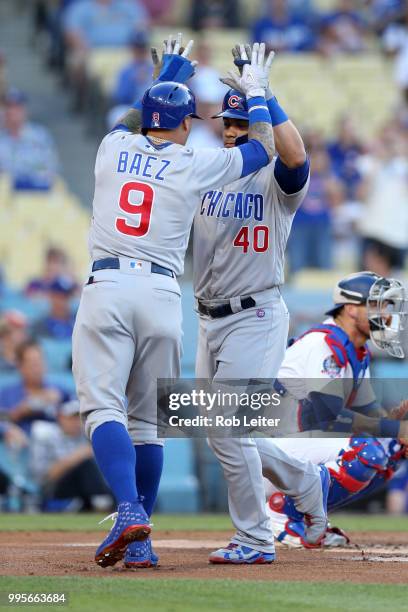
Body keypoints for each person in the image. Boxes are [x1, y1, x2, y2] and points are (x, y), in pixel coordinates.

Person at [72, 35, 278, 568]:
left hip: (110, 285)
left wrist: (166, 77)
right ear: (186, 124)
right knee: (149, 424)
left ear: (147, 117)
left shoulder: (111, 148)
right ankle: (140, 540)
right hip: (164, 293)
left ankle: (127, 510)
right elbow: (258, 149)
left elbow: (130, 119)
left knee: (102, 408)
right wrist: (257, 95)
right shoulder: (194, 164)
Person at [193, 44, 329, 565]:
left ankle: (254, 537)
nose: (230, 129)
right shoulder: (205, 172)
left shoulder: (275, 181)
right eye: (225, 122)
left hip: (256, 314)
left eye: (238, 120)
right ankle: (304, 483)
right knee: (222, 433)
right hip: (209, 317)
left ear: (254, 123)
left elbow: (296, 158)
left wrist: (265, 97)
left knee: (229, 429)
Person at [274, 271, 408, 439]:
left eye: (385, 306)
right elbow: (330, 418)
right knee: (368, 453)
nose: (386, 315)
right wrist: (394, 429)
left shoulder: (357, 349)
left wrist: (393, 422)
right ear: (350, 308)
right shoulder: (325, 345)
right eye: (375, 305)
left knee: (393, 448)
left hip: (303, 438)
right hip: (272, 441)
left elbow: (367, 410)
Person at [266, 436, 407, 547]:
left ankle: (309, 518)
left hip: (281, 471)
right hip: (265, 466)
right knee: (368, 455)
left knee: (385, 465)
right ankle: (283, 511)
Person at [30, 400, 112, 511]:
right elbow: (43, 477)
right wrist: (76, 457)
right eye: (72, 418)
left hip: (84, 489)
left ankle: (104, 501)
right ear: (60, 417)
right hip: (53, 489)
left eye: (79, 418)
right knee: (86, 464)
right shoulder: (46, 435)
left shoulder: (86, 436)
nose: (77, 423)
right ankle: (102, 501)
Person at [357, 125, 408, 276]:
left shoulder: (404, 167)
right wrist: (379, 164)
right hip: (374, 230)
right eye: (386, 141)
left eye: (393, 141)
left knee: (392, 285)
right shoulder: (368, 164)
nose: (390, 146)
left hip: (398, 235)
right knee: (371, 282)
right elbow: (361, 195)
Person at [286, 145, 344, 273]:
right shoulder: (299, 174)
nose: (318, 162)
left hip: (322, 225)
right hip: (300, 225)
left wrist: (328, 181)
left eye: (321, 159)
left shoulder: (330, 177)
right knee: (297, 264)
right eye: (315, 158)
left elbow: (338, 202)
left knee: (324, 263)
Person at [0, 340, 70, 435]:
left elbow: (78, 418)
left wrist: (60, 411)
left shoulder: (60, 391)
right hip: (22, 443)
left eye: (39, 361)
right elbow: (3, 419)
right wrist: (21, 411)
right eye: (32, 363)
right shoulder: (6, 394)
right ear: (20, 366)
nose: (37, 368)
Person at [0, 88, 59, 190]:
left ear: (24, 110)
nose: (12, 112)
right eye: (9, 107)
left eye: (17, 107)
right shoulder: (2, 139)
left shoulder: (40, 136)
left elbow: (52, 169)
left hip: (36, 195)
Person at [251, 0, 316, 53]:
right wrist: (270, 48)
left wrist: (290, 46)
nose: (279, 3)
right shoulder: (260, 26)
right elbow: (256, 48)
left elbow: (310, 43)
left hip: (297, 64)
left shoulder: (299, 22)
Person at [31, 276, 76, 341]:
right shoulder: (40, 325)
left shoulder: (77, 320)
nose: (63, 301)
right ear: (51, 296)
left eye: (66, 297)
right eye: (59, 297)